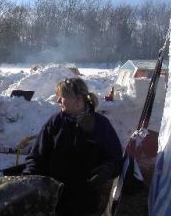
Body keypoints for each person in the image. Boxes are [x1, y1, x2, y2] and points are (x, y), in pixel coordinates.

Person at [23, 77, 122, 216]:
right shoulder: (55, 122)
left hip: (86, 202)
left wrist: (107, 169)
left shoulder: (100, 125)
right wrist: (28, 178)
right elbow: (37, 157)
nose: (58, 101)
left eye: (61, 97)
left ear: (78, 99)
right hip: (54, 199)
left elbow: (116, 159)